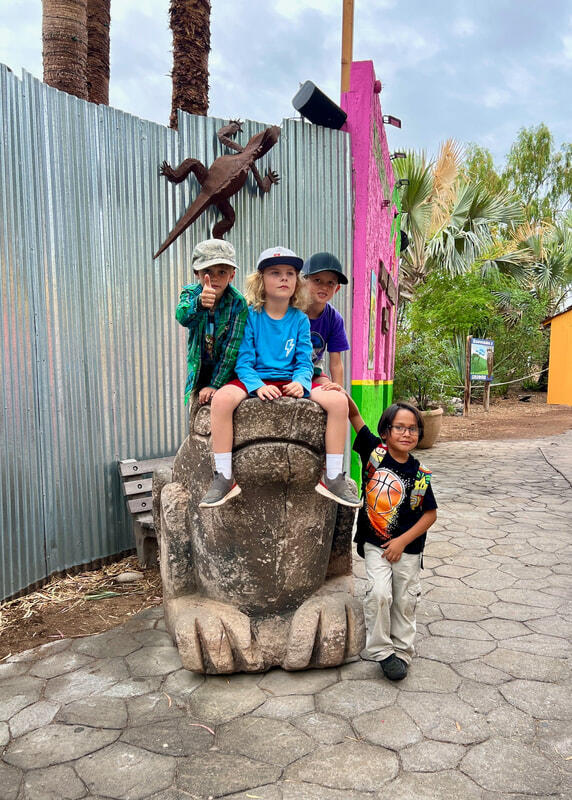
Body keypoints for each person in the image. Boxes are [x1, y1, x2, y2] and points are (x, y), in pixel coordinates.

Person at [199, 245, 361, 510]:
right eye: (275, 272)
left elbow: (305, 360)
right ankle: (224, 476)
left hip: (289, 378)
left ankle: (333, 476)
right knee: (222, 400)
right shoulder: (250, 315)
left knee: (338, 401)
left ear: (297, 281)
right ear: (261, 279)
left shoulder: (300, 320)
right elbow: (244, 360)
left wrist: (300, 382)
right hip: (257, 377)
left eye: (290, 273)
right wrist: (256, 386)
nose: (284, 278)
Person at [349, 397, 437, 680]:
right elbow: (354, 415)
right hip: (375, 544)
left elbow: (430, 515)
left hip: (408, 549)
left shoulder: (420, 474)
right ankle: (382, 652)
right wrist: (338, 391)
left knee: (404, 601)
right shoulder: (374, 453)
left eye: (412, 429)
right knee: (379, 594)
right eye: (399, 427)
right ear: (385, 432)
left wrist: (401, 541)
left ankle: (402, 651)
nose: (406, 433)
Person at [175, 239, 248, 406]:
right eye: (207, 271)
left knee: (222, 406)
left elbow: (231, 349)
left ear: (232, 275)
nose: (214, 278)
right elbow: (182, 317)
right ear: (197, 272)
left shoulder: (238, 303)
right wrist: (199, 304)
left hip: (228, 373)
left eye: (222, 272)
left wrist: (215, 384)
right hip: (200, 369)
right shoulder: (191, 294)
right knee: (197, 408)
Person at [301, 251, 350, 388]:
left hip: (314, 371)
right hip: (286, 368)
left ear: (337, 288)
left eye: (330, 283)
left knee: (337, 396)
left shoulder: (334, 319)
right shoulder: (292, 310)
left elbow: (336, 362)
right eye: (317, 280)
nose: (324, 287)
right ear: (303, 282)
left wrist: (339, 388)